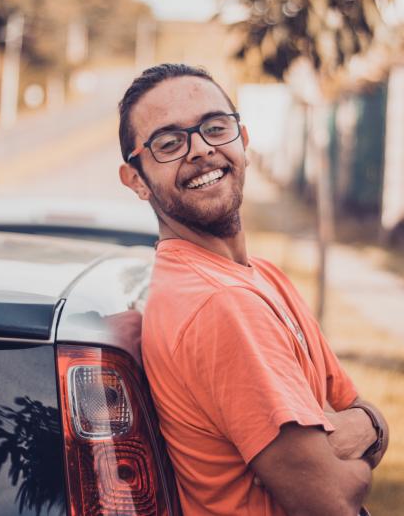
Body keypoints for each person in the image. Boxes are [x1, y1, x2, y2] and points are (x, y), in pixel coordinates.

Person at [118, 63, 389, 516]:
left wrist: (366, 422)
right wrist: (371, 429)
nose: (201, 149)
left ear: (242, 139)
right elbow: (334, 498)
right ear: (137, 180)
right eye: (168, 143)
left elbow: (352, 402)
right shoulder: (220, 305)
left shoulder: (261, 276)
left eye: (215, 127)